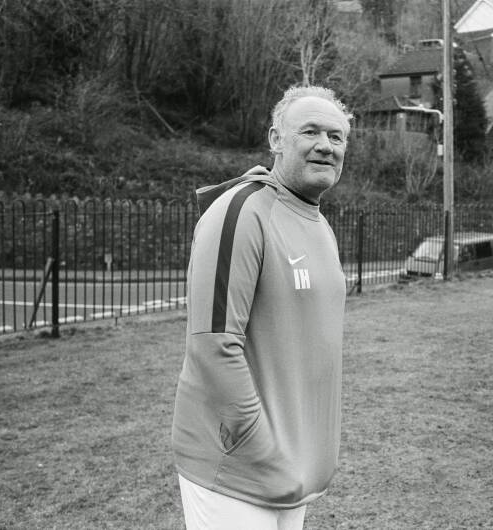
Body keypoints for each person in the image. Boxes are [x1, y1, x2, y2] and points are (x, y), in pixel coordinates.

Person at [171, 85, 352, 529]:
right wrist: (262, 446)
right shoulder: (241, 212)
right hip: (238, 471)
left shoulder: (317, 222)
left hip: (293, 467)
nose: (325, 146)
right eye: (310, 131)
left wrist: (304, 453)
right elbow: (213, 345)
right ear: (275, 139)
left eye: (337, 136)